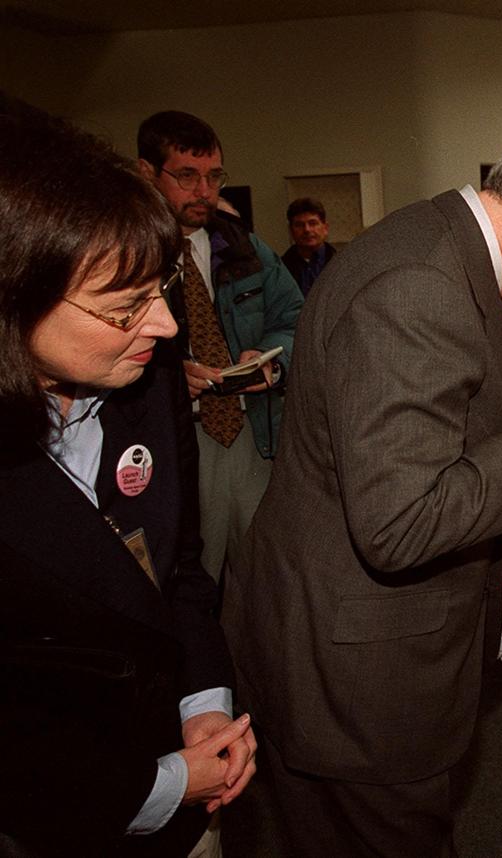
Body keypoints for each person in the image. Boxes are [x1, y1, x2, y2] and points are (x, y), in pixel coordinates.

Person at [220, 122, 502, 857]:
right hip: (357, 673)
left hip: (354, 644)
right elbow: (401, 522)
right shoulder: (420, 284)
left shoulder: (440, 248)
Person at [0, 96, 255, 856]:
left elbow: (176, 570)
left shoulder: (146, 380)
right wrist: (162, 785)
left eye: (163, 292)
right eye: (125, 306)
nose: (167, 327)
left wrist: (203, 705)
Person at [136, 111, 304, 583]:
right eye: (187, 176)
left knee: (263, 571)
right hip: (177, 438)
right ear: (146, 173)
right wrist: (168, 378)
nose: (204, 192)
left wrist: (273, 361)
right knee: (190, 574)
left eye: (213, 177)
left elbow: (295, 319)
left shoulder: (245, 248)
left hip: (252, 433)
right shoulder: (130, 254)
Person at [281, 196, 337, 297]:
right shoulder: (280, 269)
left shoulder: (340, 265)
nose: (307, 230)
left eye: (313, 223)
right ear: (290, 230)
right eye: (299, 225)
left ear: (325, 228)